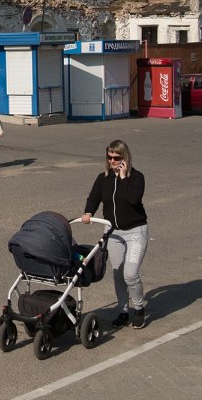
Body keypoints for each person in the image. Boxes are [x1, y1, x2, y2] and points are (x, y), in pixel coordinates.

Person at [82, 139, 149, 329]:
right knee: (118, 273)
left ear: (125, 157)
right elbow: (94, 197)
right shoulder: (103, 178)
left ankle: (138, 308)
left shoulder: (137, 178)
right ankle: (123, 310)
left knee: (130, 274)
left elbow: (134, 200)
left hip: (136, 231)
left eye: (116, 157)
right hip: (113, 232)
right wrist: (88, 212)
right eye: (109, 157)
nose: (112, 161)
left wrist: (124, 178)